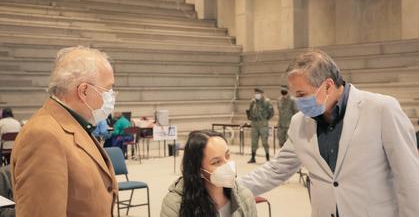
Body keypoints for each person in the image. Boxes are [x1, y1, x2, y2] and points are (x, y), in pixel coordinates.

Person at [239, 49, 419, 217]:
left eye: (301, 94)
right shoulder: (299, 122)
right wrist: (230, 188)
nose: (297, 101)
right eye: (295, 95)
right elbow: (277, 169)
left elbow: (409, 177)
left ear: (328, 86)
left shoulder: (382, 109)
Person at [11, 46, 118, 217]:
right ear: (84, 91)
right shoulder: (43, 135)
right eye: (108, 89)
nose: (112, 96)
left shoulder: (74, 124)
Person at [160, 130, 257, 217]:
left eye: (227, 156)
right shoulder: (174, 204)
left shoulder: (245, 197)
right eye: (216, 162)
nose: (227, 165)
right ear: (198, 170)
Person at [246, 88, 274, 163]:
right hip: (254, 124)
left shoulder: (267, 102)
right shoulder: (252, 102)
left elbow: (271, 113)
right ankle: (253, 157)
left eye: (258, 93)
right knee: (254, 141)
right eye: (255, 93)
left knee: (265, 142)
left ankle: (267, 158)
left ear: (262, 94)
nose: (256, 95)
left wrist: (265, 119)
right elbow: (250, 111)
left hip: (263, 124)